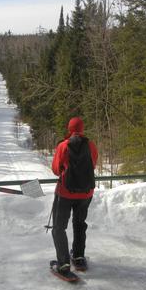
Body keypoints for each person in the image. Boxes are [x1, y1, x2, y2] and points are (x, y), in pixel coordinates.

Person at [51, 117, 98, 275]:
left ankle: (63, 264)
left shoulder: (63, 146)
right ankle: (78, 257)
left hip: (65, 192)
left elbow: (56, 170)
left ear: (69, 129)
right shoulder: (91, 145)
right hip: (86, 193)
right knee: (79, 224)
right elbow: (93, 164)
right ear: (83, 129)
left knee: (59, 228)